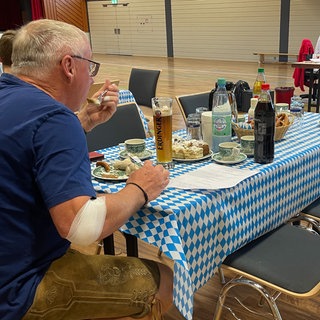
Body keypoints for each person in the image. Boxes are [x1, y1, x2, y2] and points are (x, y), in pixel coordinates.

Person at [0, 18, 173, 320]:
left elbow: (25, 149)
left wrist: (83, 121)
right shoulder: (53, 118)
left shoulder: (10, 95)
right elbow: (81, 226)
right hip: (16, 289)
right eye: (90, 66)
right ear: (68, 66)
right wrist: (139, 188)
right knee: (165, 280)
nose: (92, 77)